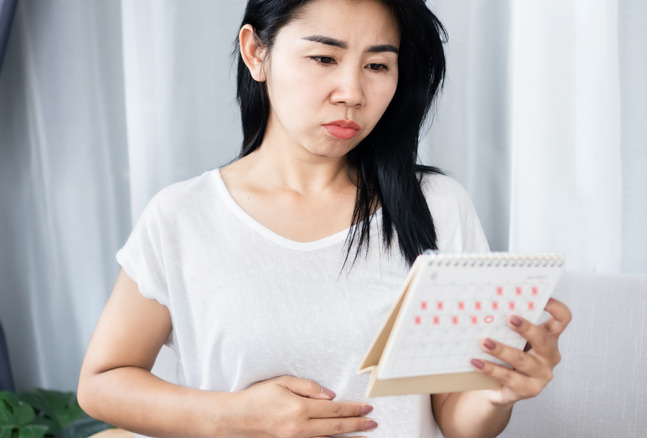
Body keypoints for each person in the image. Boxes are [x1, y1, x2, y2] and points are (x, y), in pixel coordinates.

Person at [77, 0, 572, 437]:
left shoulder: (437, 206)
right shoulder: (183, 217)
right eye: (323, 58)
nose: (352, 92)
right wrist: (232, 418)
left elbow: (455, 420)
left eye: (378, 65)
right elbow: (102, 385)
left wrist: (499, 390)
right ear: (257, 53)